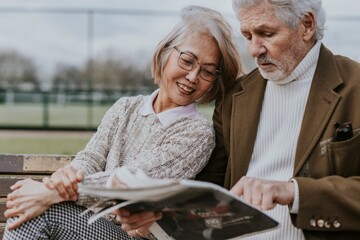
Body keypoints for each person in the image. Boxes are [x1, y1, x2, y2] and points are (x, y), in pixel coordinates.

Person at [119, 0, 360, 239]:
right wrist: (161, 213)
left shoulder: (355, 86)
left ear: (307, 25)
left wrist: (293, 192)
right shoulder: (235, 96)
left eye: (266, 33)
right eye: (247, 35)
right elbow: (210, 186)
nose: (254, 50)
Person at [3, 5, 242, 240]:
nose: (192, 77)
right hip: (89, 225)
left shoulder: (198, 134)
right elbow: (92, 158)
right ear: (166, 53)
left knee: (34, 212)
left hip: (135, 236)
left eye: (207, 72)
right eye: (187, 61)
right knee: (27, 206)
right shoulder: (125, 107)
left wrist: (50, 192)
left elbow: (132, 185)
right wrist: (67, 178)